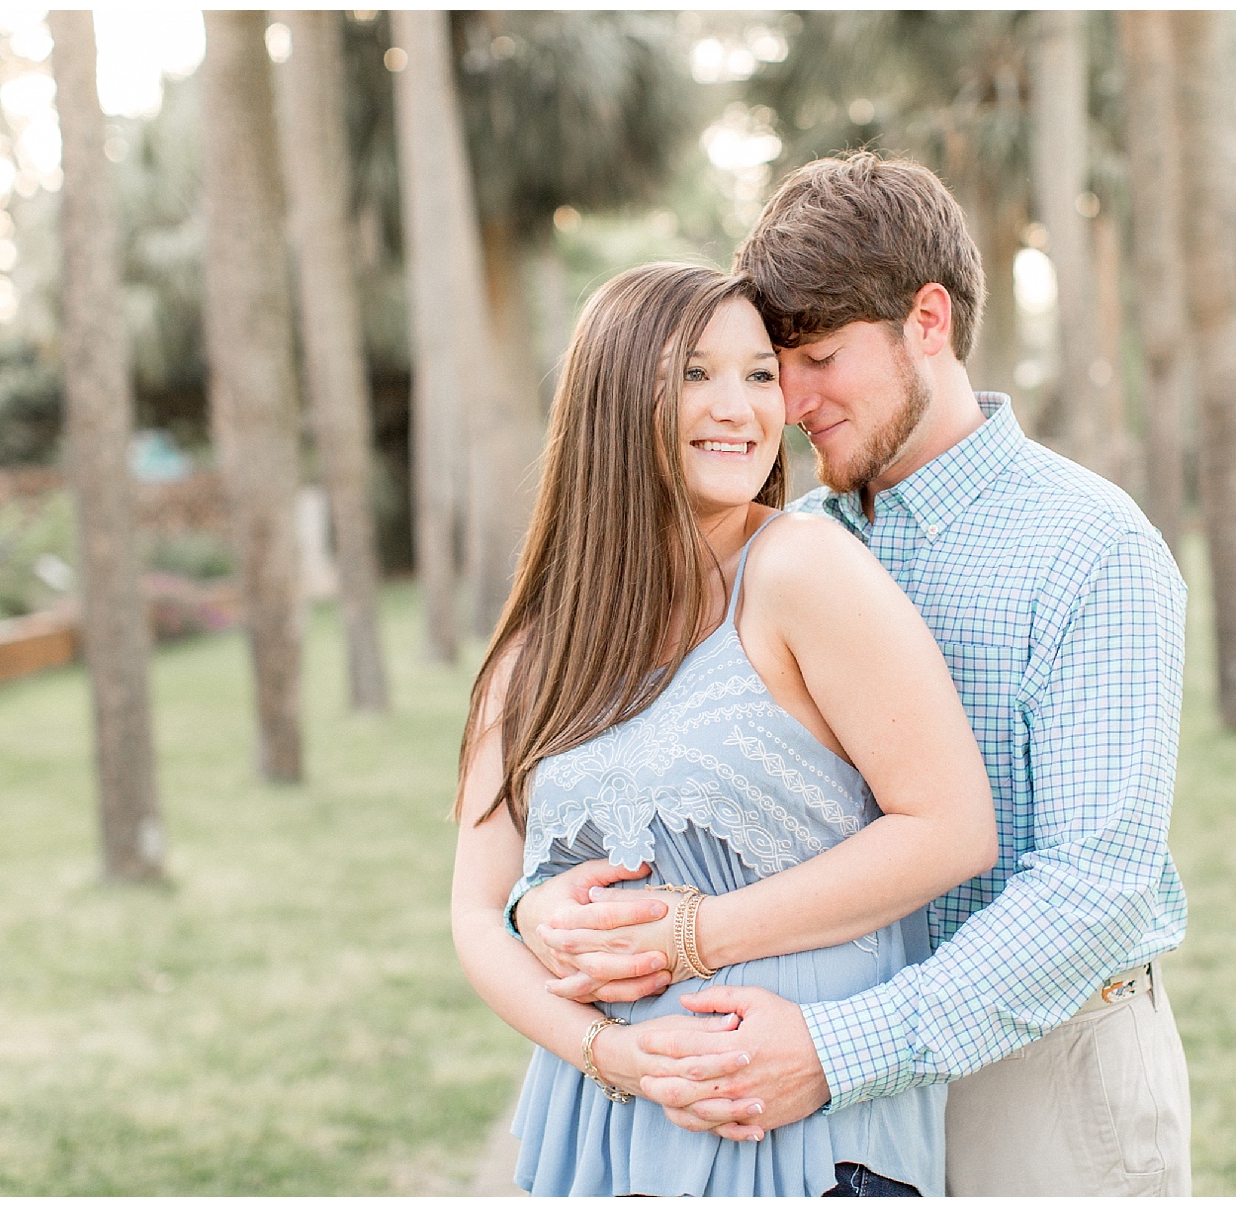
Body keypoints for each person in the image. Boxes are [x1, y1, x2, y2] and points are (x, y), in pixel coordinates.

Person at [515, 153, 1194, 1196]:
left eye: (818, 357)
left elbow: (1094, 887)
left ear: (928, 321)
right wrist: (542, 906)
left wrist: (839, 1048)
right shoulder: (788, 543)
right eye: (776, 363)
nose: (788, 399)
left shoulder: (1089, 545)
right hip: (829, 1085)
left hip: (1040, 1069)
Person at [449, 261, 1000, 1197]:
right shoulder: (535, 648)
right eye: (696, 374)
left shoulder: (799, 567)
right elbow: (476, 911)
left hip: (797, 1133)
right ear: (615, 401)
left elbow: (952, 828)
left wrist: (692, 936)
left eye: (758, 374)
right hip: (605, 1126)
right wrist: (606, 1052)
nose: (740, 407)